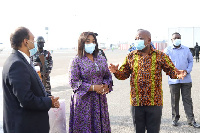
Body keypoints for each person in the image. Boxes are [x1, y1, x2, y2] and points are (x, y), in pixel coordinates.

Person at [109, 29, 185, 133]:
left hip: (154, 102)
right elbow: (124, 75)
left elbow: (171, 70)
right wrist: (116, 71)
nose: (137, 41)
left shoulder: (160, 55)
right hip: (136, 102)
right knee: (138, 131)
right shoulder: (131, 56)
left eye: (140, 38)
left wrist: (178, 74)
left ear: (149, 40)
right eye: (135, 39)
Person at [2, 27, 60, 133]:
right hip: (25, 127)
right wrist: (48, 102)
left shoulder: (22, 60)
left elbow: (31, 88)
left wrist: (48, 97)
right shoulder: (17, 64)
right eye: (33, 40)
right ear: (26, 42)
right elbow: (26, 99)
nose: (35, 44)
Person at [69, 31, 113, 132]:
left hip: (99, 100)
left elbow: (107, 76)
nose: (91, 44)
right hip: (84, 101)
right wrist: (93, 87)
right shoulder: (76, 60)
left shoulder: (101, 59)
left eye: (93, 41)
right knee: (85, 127)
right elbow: (73, 82)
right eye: (88, 41)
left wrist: (106, 85)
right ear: (82, 43)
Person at [164, 32, 200, 128]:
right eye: (175, 38)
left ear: (181, 38)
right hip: (173, 80)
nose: (177, 39)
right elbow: (165, 64)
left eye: (178, 38)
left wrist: (187, 71)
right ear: (171, 40)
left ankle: (191, 120)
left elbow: (191, 61)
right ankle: (175, 119)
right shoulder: (167, 50)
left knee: (187, 100)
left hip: (186, 79)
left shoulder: (186, 49)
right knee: (174, 100)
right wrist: (173, 73)